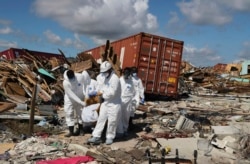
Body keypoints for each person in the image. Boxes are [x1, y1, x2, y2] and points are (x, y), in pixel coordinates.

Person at [88, 61, 121, 145]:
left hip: (114, 103)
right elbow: (102, 88)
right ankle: (96, 136)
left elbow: (112, 93)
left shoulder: (115, 78)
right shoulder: (104, 78)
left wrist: (102, 94)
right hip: (106, 102)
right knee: (101, 119)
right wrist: (98, 92)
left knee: (112, 121)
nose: (104, 74)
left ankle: (110, 137)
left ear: (110, 70)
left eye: (105, 72)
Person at [63, 69, 90, 137]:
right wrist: (81, 102)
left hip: (80, 96)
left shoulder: (80, 77)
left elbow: (87, 84)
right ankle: (71, 131)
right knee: (69, 113)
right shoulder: (65, 83)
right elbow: (71, 94)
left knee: (80, 113)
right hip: (70, 99)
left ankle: (81, 130)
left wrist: (86, 95)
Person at [116, 67, 136, 137]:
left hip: (128, 101)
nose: (126, 75)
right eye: (125, 74)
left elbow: (134, 92)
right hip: (121, 99)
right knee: (119, 116)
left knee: (126, 116)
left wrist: (134, 100)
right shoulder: (120, 80)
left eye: (128, 74)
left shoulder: (131, 81)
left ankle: (125, 130)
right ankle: (118, 131)